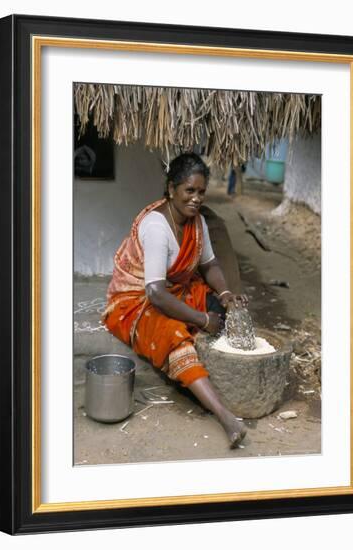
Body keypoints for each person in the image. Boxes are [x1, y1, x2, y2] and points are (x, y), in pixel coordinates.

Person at [102, 153, 248, 448]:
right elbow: (155, 293)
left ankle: (213, 371)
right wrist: (201, 320)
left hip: (175, 288)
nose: (196, 199)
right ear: (171, 190)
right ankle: (224, 416)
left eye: (201, 192)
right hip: (137, 300)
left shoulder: (197, 222)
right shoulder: (157, 227)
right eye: (189, 191)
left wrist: (225, 294)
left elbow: (209, 266)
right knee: (174, 335)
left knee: (223, 307)